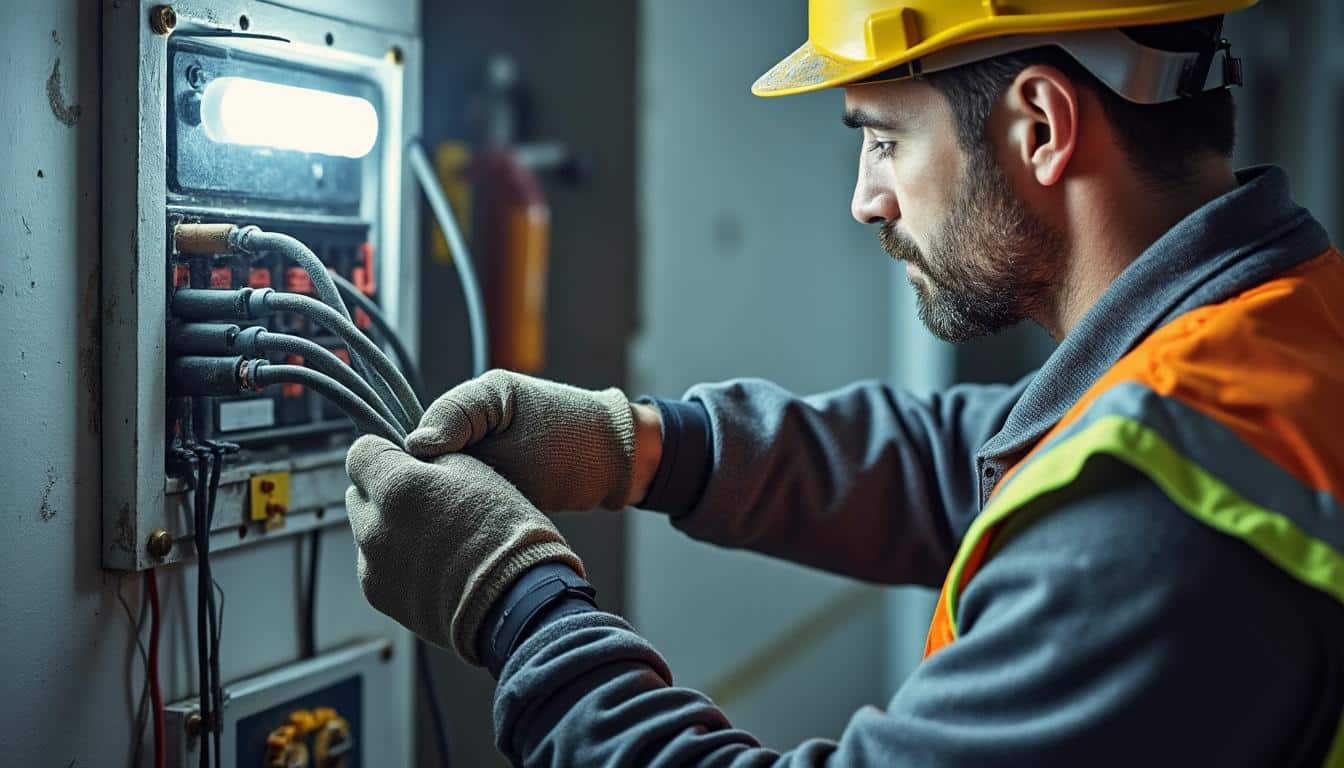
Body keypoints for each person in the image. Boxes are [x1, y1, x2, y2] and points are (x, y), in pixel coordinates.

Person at [345, 1, 1344, 764]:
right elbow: (975, 454)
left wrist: (515, 603)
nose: (866, 201)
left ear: (1039, 126)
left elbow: (1089, 506)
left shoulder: (1155, 515)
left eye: (884, 139)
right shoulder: (1279, 327)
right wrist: (641, 445)